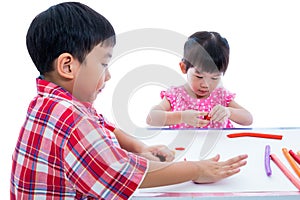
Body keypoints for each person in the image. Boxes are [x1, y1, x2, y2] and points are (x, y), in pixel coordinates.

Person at [10, 2, 248, 199]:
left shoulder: (49, 103)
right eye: (104, 64)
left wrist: (140, 147)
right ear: (68, 66)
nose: (109, 75)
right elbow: (127, 174)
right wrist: (197, 169)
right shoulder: (70, 118)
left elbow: (103, 126)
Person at [147, 31, 253, 129]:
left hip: (218, 148)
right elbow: (151, 118)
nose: (206, 84)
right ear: (183, 67)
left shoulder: (221, 95)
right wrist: (181, 116)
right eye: (199, 76)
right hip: (182, 148)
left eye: (214, 78)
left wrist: (228, 112)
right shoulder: (176, 94)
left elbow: (248, 119)